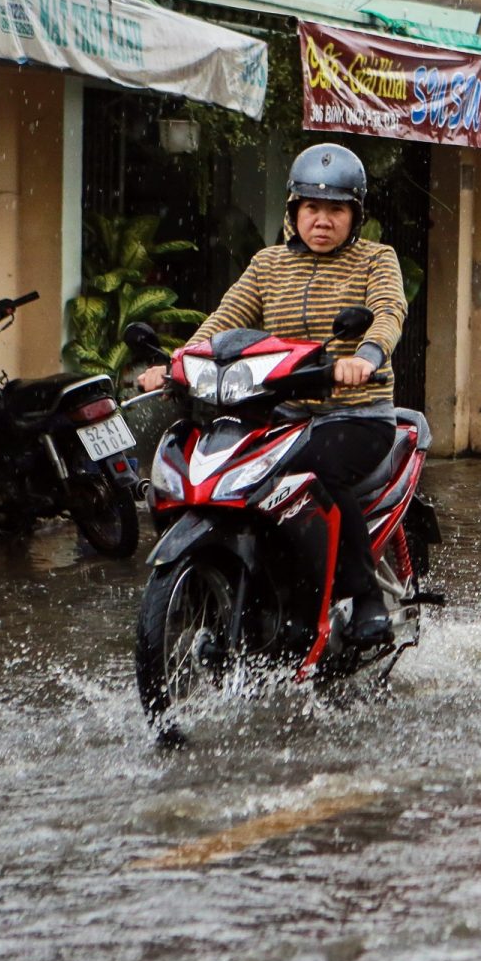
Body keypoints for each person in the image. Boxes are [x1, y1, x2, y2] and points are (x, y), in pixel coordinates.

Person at [137, 143, 407, 647]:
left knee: (317, 470)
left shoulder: (376, 259)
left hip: (354, 414)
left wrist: (365, 358)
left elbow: (389, 311)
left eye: (335, 209)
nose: (321, 221)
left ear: (355, 215)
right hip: (279, 412)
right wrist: (176, 363)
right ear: (293, 212)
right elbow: (225, 319)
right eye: (311, 208)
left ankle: (364, 594)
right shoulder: (268, 265)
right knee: (232, 474)